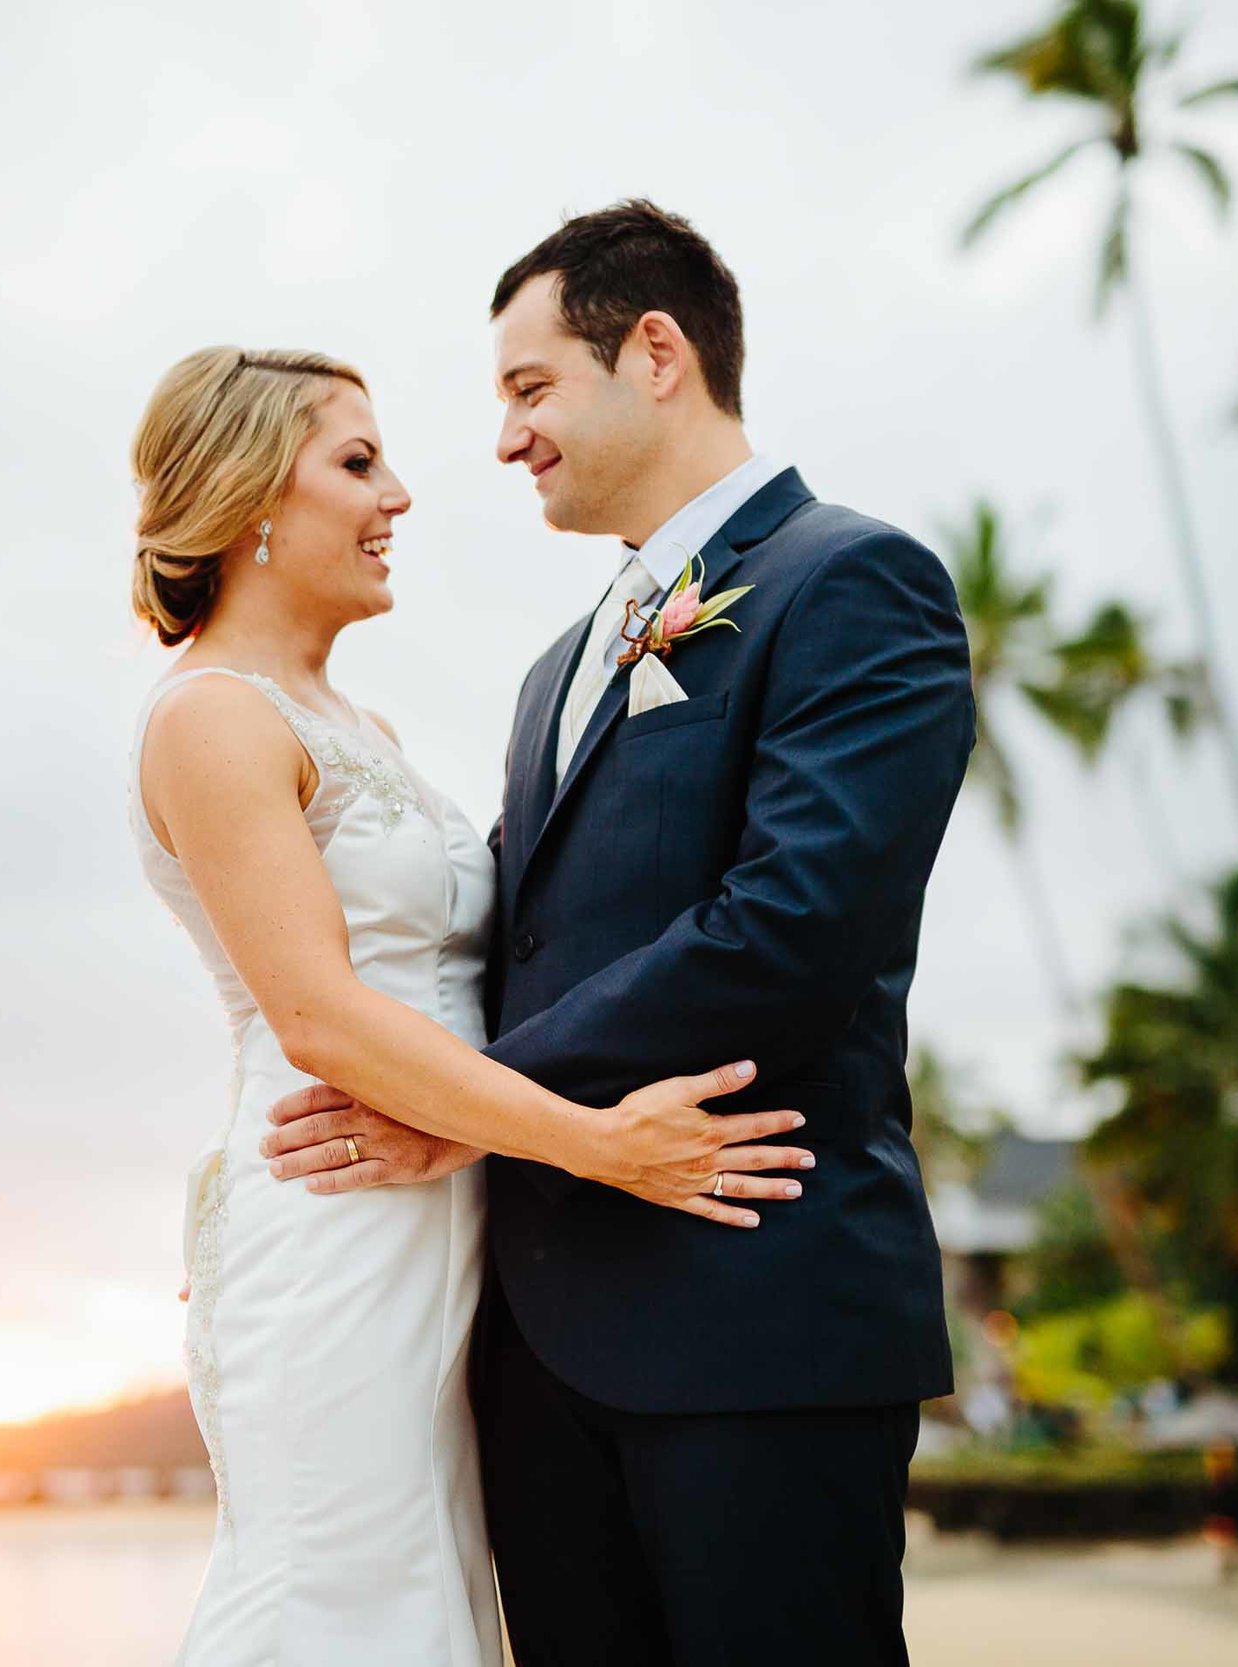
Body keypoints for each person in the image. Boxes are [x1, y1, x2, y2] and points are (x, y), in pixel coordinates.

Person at [261, 200, 976, 1665]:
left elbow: (790, 927)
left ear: (655, 353)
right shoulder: (553, 673)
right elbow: (504, 940)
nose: (507, 440)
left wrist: (478, 1112)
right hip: (534, 1350)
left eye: (530, 390)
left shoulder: (852, 583)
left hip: (754, 1317)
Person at [126, 342, 813, 1665]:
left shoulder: (360, 729)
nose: (399, 496)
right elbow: (319, 1017)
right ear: (253, 492)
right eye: (358, 462)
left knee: (428, 1588)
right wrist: (599, 1141)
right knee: (337, 1592)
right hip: (332, 1215)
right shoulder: (209, 718)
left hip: (450, 1231)